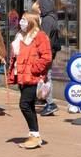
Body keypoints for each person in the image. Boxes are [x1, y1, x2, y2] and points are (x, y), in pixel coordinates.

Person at [8, 10, 53, 149]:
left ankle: (35, 134)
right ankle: (34, 134)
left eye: (24, 19)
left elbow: (46, 57)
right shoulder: (20, 36)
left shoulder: (40, 36)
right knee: (29, 105)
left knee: (24, 104)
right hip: (22, 76)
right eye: (21, 19)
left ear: (32, 21)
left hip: (33, 77)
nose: (22, 22)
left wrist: (34, 69)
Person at [34, 0, 63, 117]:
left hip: (46, 53)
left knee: (46, 77)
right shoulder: (52, 18)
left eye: (40, 7)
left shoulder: (47, 20)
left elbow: (43, 38)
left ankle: (50, 103)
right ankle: (45, 100)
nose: (39, 10)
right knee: (46, 77)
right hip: (50, 52)